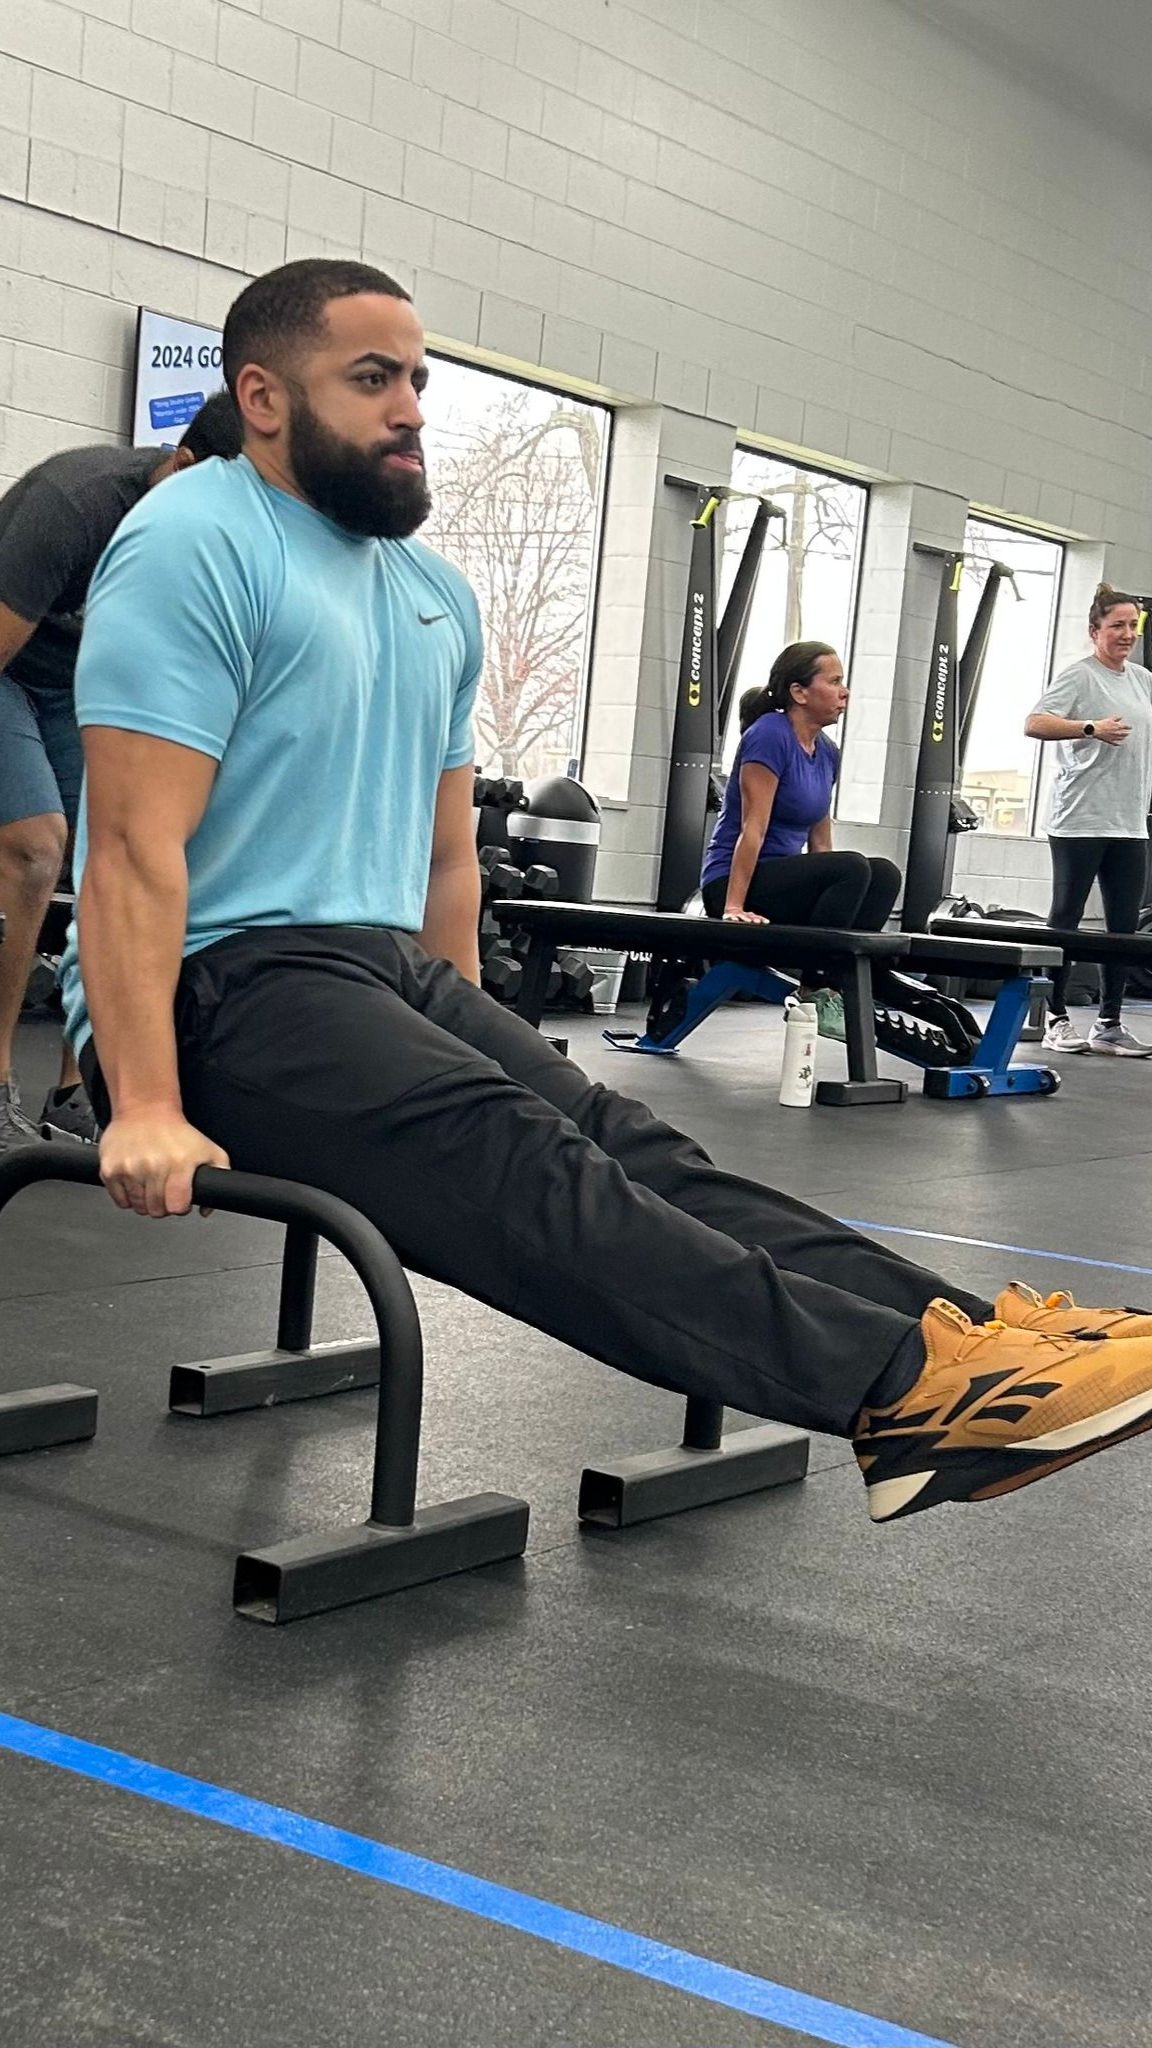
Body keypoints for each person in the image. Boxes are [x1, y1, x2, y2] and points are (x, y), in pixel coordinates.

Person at [56, 257, 1152, 1528]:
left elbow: (446, 853)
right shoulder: (192, 543)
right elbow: (132, 850)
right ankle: (904, 1391)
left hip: (376, 970)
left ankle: (968, 1338)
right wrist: (136, 1099)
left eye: (416, 377)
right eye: (371, 380)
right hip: (219, 985)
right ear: (259, 395)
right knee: (528, 1161)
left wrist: (458, 1022)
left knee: (633, 1143)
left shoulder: (430, 592)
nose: (411, 405)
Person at [0, 391, 243, 1153]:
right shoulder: (69, 504)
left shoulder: (223, 550)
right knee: (36, 847)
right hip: (7, 671)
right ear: (179, 464)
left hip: (82, 689)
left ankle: (82, 1090)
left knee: (133, 856)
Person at [700, 644, 901, 1037]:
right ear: (799, 692)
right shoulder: (769, 735)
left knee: (883, 873)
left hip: (785, 885)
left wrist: (839, 888)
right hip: (736, 882)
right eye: (835, 681)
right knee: (852, 866)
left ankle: (845, 976)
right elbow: (751, 828)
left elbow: (821, 845)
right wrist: (733, 906)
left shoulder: (827, 753)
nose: (845, 692)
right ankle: (815, 987)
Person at [1025, 584, 1152, 1058]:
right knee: (1067, 918)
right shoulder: (1079, 677)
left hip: (1129, 822)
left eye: (1132, 627)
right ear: (1095, 630)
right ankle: (1056, 1017)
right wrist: (1090, 727)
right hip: (1080, 818)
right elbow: (1035, 722)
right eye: (1116, 625)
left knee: (1122, 926)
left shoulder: (1141, 679)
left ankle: (1109, 1022)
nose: (1125, 634)